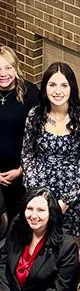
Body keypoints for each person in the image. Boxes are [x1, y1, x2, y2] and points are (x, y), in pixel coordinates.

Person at [21, 63, 80, 237]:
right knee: (38, 243)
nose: (58, 91)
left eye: (64, 85)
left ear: (72, 88)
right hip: (39, 191)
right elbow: (27, 154)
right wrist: (37, 195)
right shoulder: (35, 115)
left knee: (68, 248)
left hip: (72, 195)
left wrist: (65, 202)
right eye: (52, 84)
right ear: (45, 87)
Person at [0, 47, 39, 219]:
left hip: (21, 173)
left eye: (8, 67)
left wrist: (22, 169)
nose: (3, 73)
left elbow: (39, 137)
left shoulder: (31, 93)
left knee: (19, 222)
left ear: (16, 68)